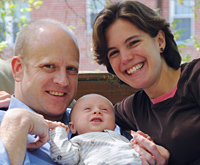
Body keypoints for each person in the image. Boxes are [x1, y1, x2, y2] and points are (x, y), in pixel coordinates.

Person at [92, 1, 200, 165]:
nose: (125, 58)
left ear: (160, 41)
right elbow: (84, 116)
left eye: (133, 42)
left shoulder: (195, 77)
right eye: (114, 53)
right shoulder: (132, 108)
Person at [0, 18, 80, 164]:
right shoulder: (4, 121)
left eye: (71, 69)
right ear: (18, 69)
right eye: (49, 66)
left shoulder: (92, 120)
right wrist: (19, 121)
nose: (63, 81)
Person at [50, 93, 142, 165]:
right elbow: (62, 155)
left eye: (104, 110)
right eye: (87, 109)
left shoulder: (121, 138)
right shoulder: (78, 142)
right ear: (72, 127)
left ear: (114, 126)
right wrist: (58, 131)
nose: (97, 111)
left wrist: (140, 143)